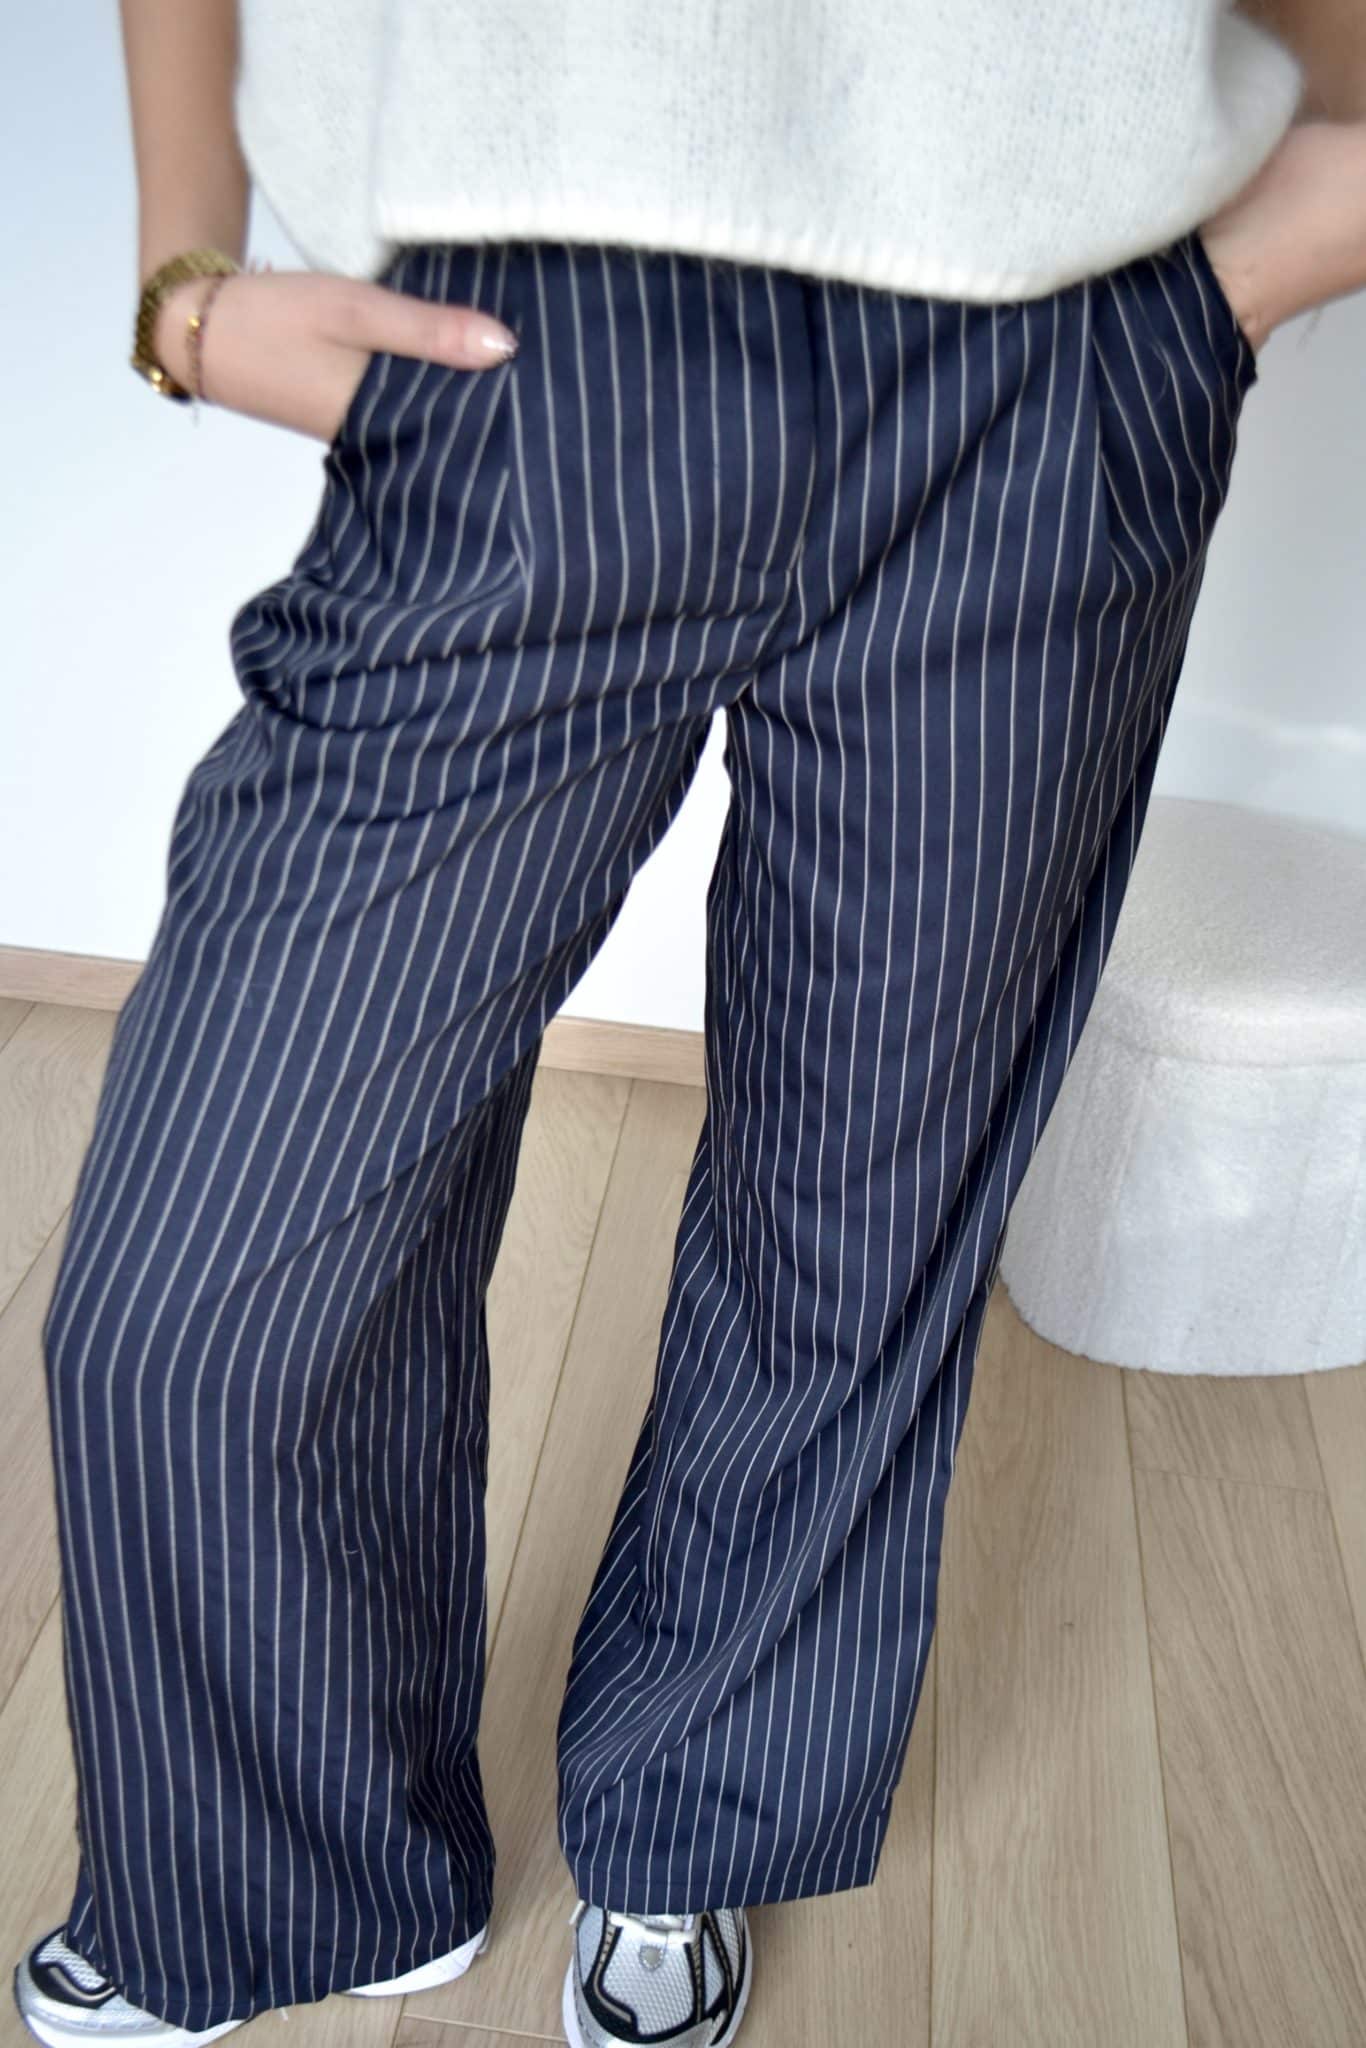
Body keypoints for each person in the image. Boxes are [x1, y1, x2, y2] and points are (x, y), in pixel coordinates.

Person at [12, 4, 1366, 2046]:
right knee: (196, 1282)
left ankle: (687, 1807)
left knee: (855, 1207)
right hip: (531, 360)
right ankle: (296, 1871)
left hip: (1045, 371)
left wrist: (1272, 240)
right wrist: (182, 282)